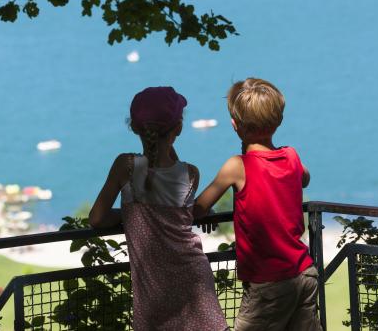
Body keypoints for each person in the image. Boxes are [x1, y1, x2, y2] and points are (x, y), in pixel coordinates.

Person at [89, 87, 228, 331]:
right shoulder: (190, 174)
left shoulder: (126, 167)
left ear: (134, 127)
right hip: (194, 280)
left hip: (154, 290)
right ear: (179, 129)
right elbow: (179, 208)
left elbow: (97, 219)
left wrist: (131, 217)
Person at [194, 78, 320, 331]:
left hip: (268, 284)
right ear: (279, 121)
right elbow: (304, 178)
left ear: (235, 125)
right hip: (304, 273)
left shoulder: (237, 166)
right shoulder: (291, 155)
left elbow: (198, 208)